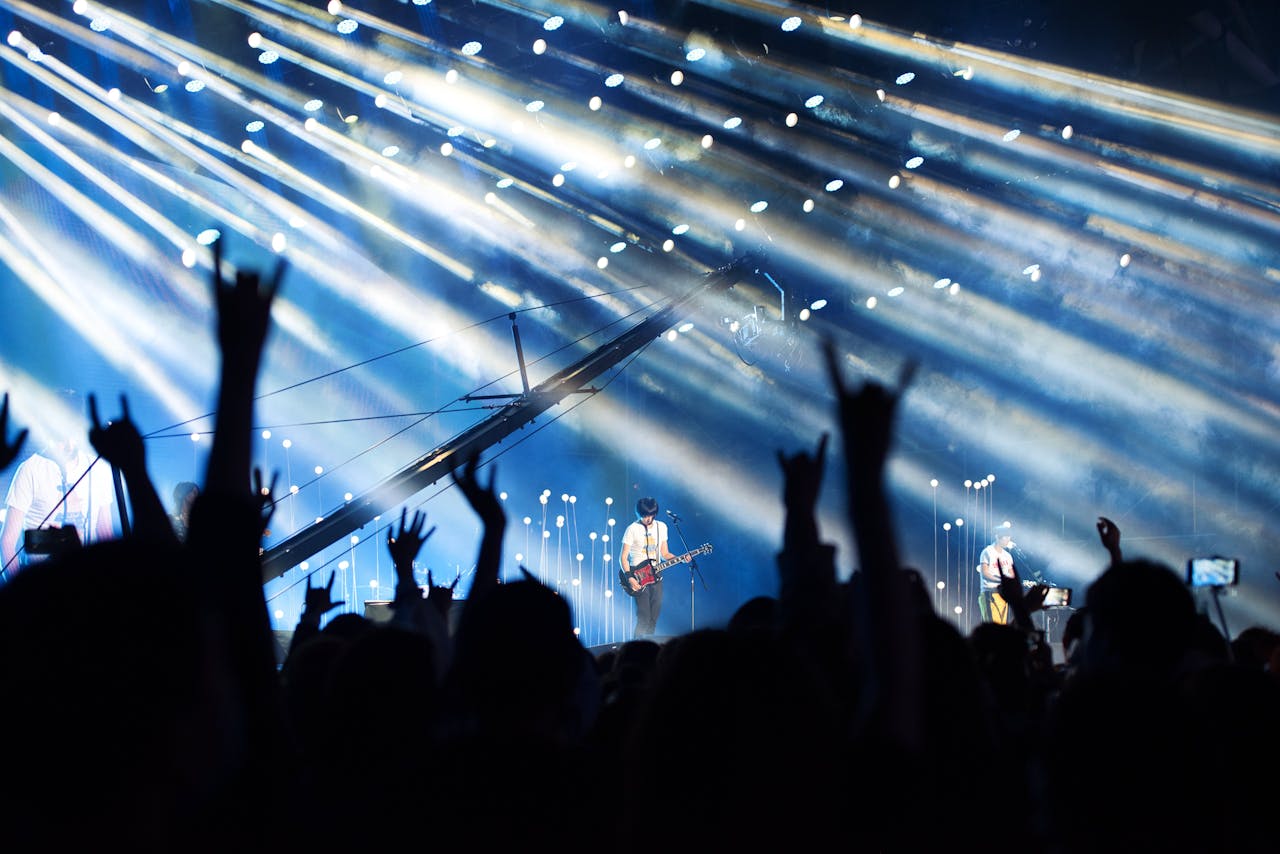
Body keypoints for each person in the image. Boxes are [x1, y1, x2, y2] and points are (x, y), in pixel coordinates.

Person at [1, 399, 115, 578]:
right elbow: (7, 541)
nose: (68, 443)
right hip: (42, 582)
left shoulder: (98, 467)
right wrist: (22, 589)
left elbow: (105, 532)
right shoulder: (31, 469)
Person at [619, 496, 687, 639]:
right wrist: (630, 578)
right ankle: (635, 647)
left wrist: (681, 559)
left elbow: (665, 553)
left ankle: (648, 646)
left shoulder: (661, 527)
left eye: (651, 515)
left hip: (656, 575)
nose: (648, 519)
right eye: (644, 516)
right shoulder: (632, 529)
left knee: (653, 618)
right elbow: (623, 557)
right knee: (643, 617)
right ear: (638, 513)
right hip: (638, 576)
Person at [976, 526, 1017, 623]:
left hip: (1003, 594)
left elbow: (1012, 574)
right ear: (998, 537)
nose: (1008, 539)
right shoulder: (987, 552)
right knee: (993, 625)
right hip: (990, 593)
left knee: (1002, 625)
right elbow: (985, 573)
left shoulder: (1007, 556)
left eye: (1009, 537)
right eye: (1006, 537)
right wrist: (1001, 579)